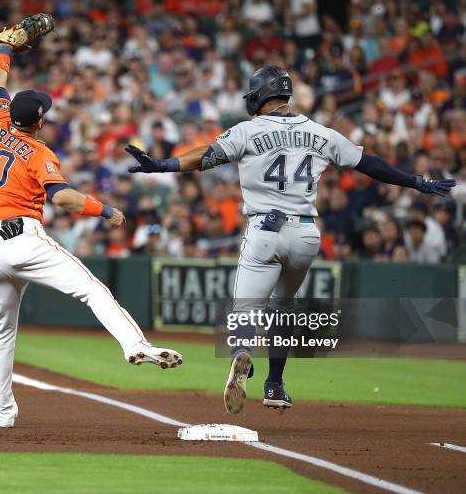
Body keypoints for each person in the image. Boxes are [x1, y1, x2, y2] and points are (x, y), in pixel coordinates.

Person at [125, 66, 455, 414]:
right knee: (283, 307)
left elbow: (206, 156)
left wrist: (163, 165)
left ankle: (242, 351)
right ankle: (275, 385)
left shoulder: (248, 130)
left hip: (265, 229)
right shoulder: (319, 132)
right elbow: (368, 163)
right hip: (306, 234)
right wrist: (417, 182)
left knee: (245, 312)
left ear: (259, 96)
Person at [0, 18, 182, 429]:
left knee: (2, 334)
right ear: (37, 121)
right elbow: (64, 198)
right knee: (92, 289)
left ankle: (4, 418)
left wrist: (4, 45)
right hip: (23, 240)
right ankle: (135, 344)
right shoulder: (38, 151)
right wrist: (105, 210)